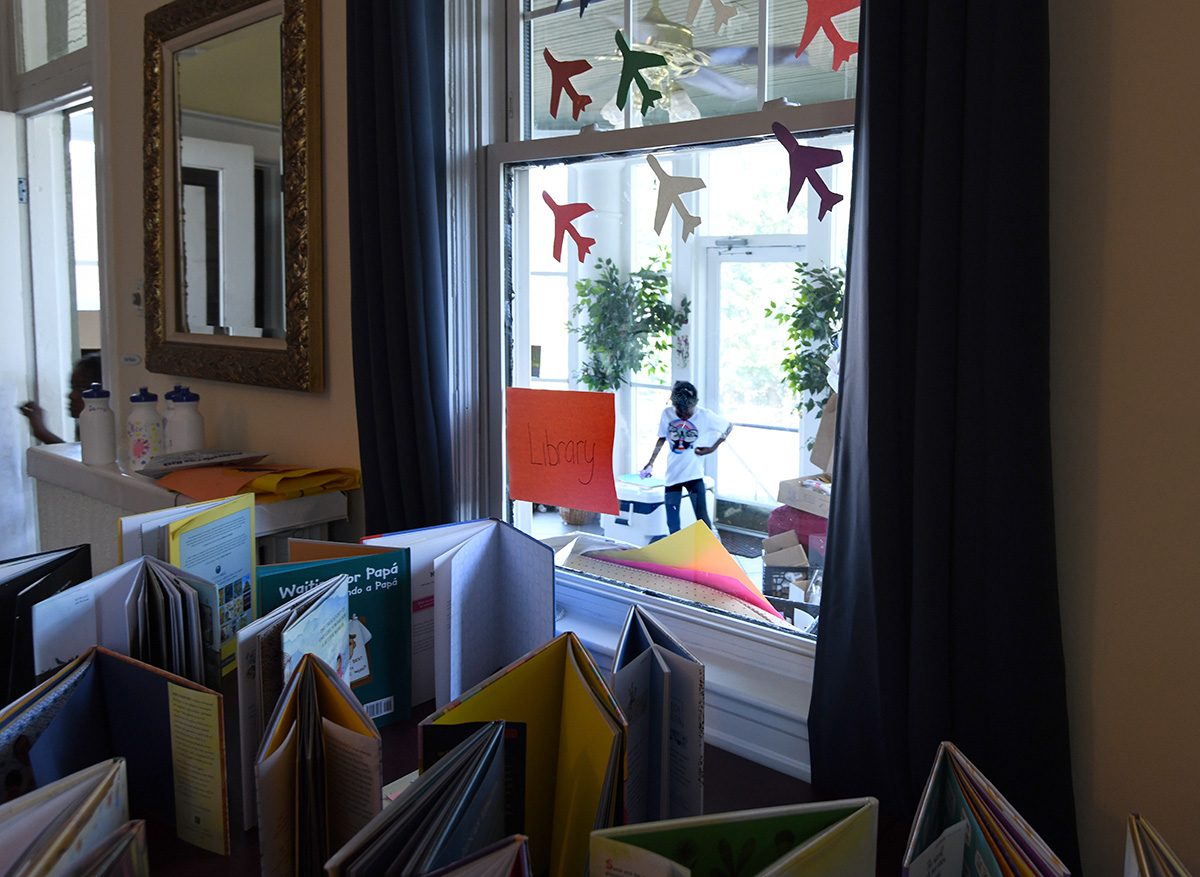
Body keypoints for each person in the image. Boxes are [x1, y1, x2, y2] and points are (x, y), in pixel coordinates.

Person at [641, 380, 732, 534]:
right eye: (680, 413)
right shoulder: (667, 413)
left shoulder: (705, 416)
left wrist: (712, 448)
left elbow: (728, 427)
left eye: (688, 413)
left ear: (694, 405)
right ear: (674, 406)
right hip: (672, 476)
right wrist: (651, 462)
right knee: (672, 521)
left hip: (694, 476)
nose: (684, 416)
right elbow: (662, 438)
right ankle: (677, 553)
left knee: (702, 519)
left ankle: (707, 552)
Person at [17, 352, 101, 444]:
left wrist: (42, 433)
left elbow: (85, 458)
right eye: (72, 387)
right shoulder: (87, 427)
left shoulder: (110, 431)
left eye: (81, 387)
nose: (71, 395)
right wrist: (41, 432)